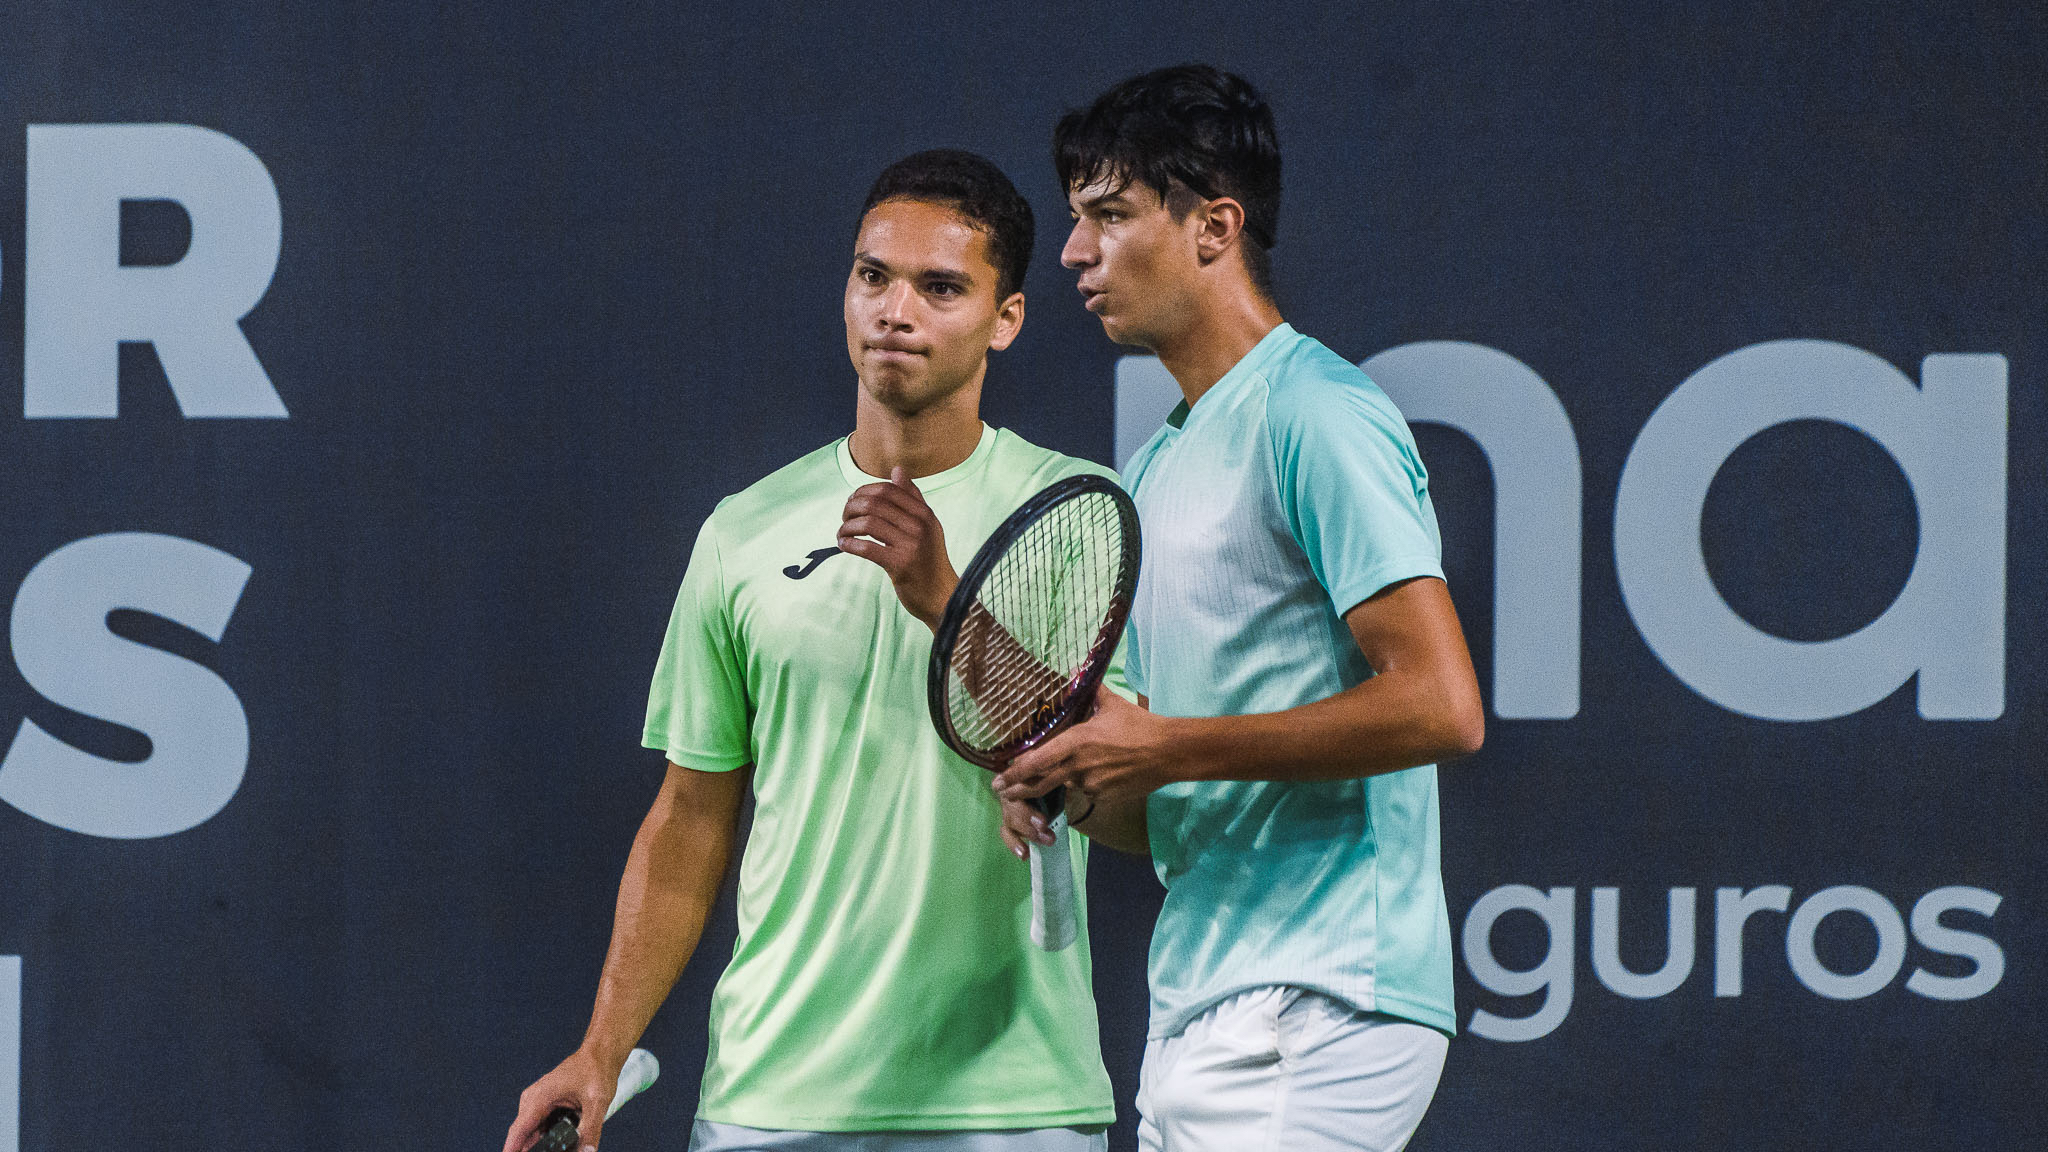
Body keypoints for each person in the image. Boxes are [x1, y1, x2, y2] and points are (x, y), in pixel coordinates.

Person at [504, 149, 1118, 1152]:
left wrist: (941, 596)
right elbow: (689, 821)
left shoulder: (1071, 510)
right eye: (872, 275)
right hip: (771, 1101)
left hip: (1009, 1104)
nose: (894, 311)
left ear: (1005, 318)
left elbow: (1112, 773)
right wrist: (599, 1052)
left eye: (940, 287)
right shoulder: (741, 529)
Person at [991, 66, 1486, 1152]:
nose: (1075, 253)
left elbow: (1441, 706)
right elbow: (1161, 797)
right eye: (1076, 221)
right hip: (1201, 1010)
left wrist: (1160, 746)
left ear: (1213, 226)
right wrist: (1083, 780)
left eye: (1108, 217)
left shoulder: (1317, 411)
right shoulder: (1157, 467)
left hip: (1321, 1001)